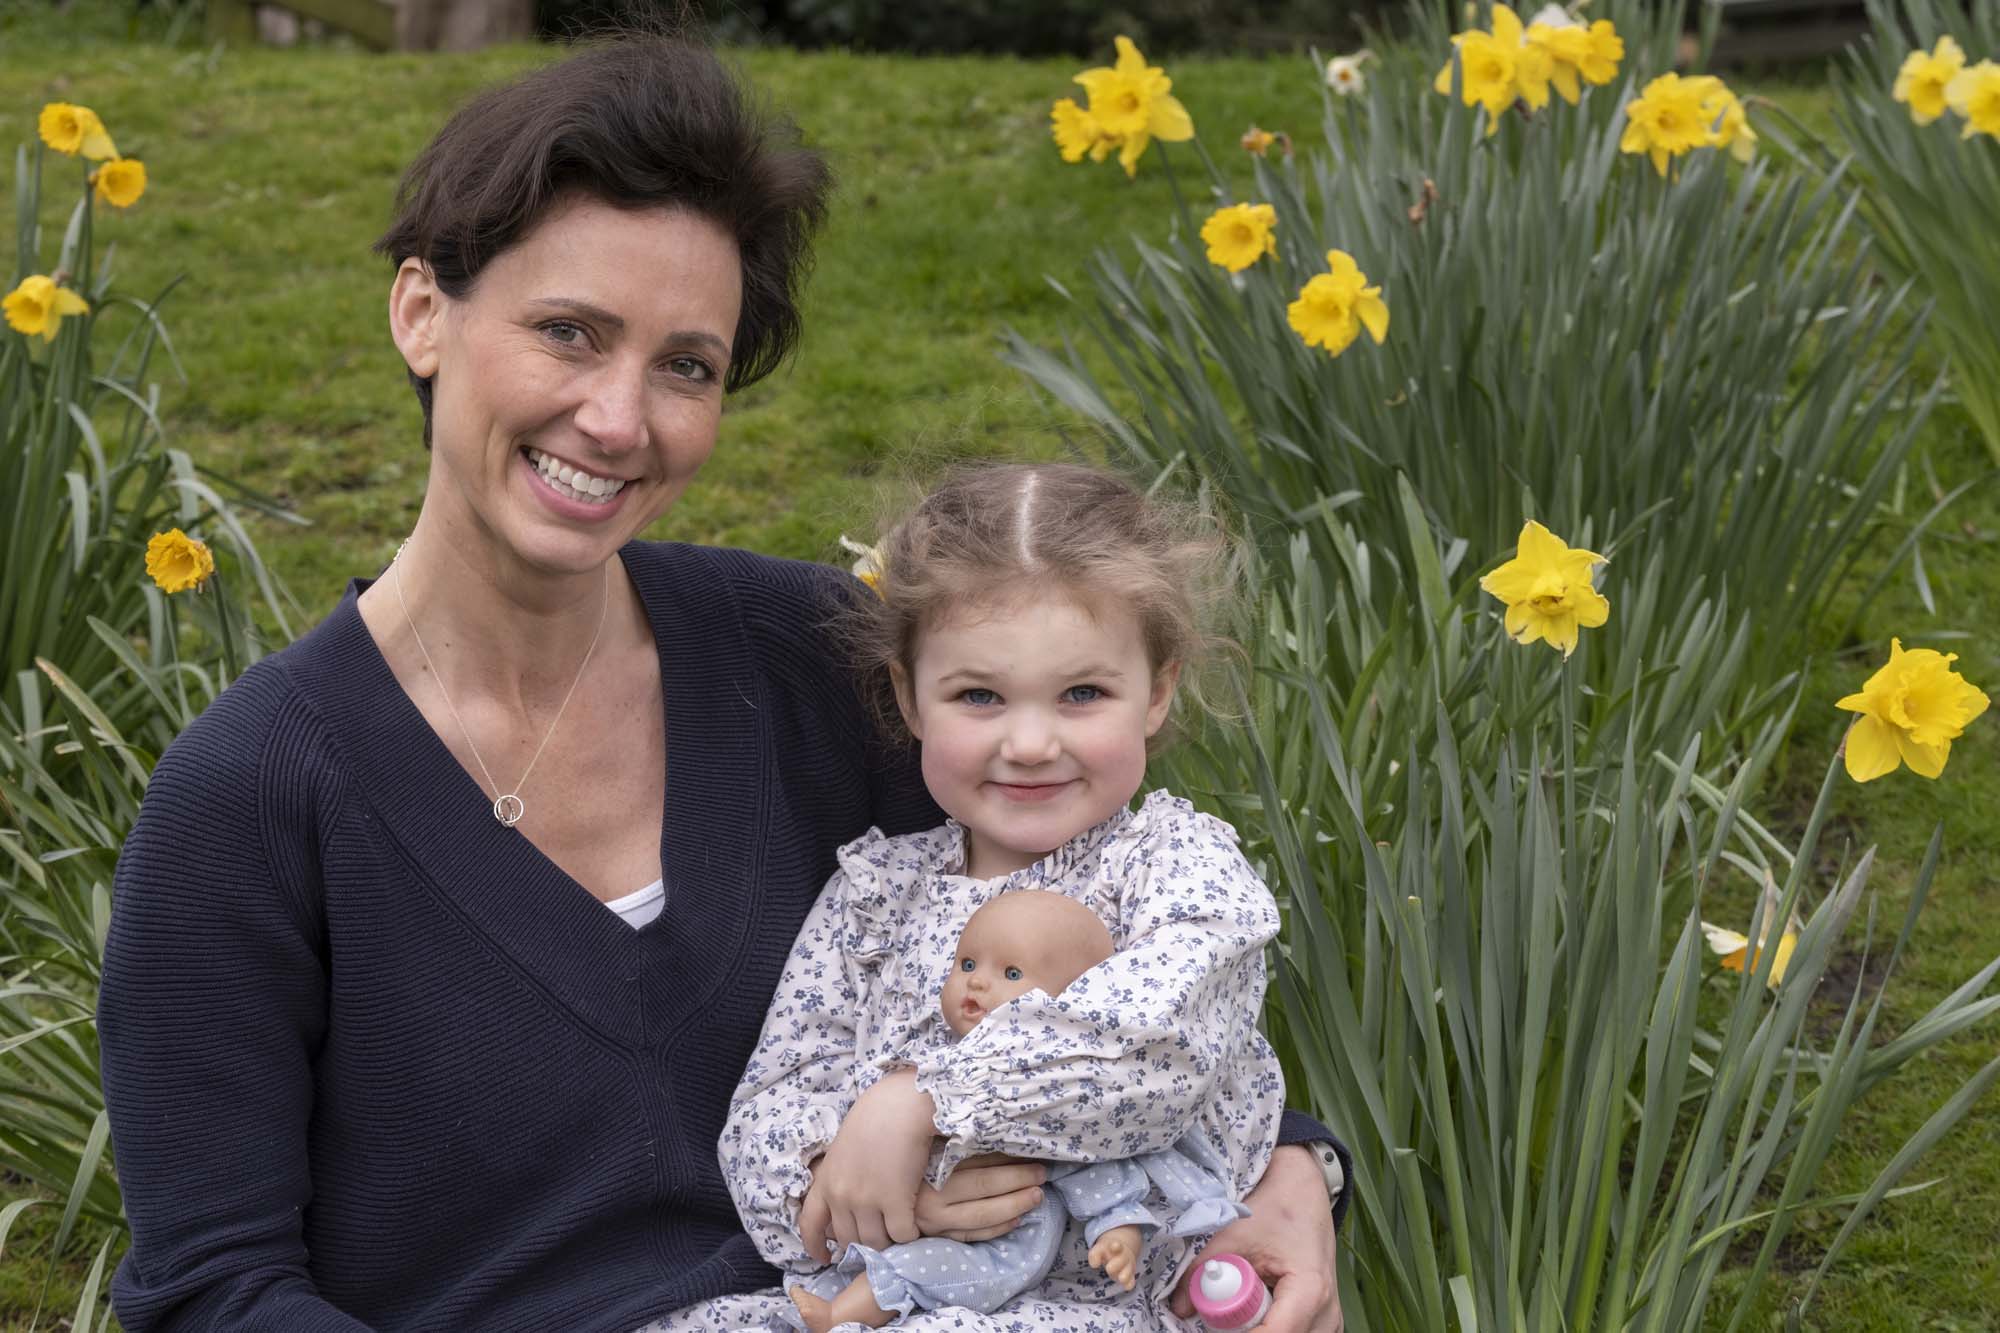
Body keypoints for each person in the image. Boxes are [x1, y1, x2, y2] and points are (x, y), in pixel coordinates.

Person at [94, 33, 1351, 1333]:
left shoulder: (805, 656)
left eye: (685, 364)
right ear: (422, 312)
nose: (621, 419)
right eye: (568, 333)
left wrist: (1291, 1163)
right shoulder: (252, 799)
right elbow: (213, 1292)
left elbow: (1085, 916)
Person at [721, 463, 1290, 1332]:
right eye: (979, 695)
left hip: (1085, 1306)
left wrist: (925, 1102)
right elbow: (775, 1101)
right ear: (910, 698)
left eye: (1082, 694)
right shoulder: (877, 895)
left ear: (1158, 692)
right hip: (875, 1294)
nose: (1030, 742)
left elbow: (1155, 1047)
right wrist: (854, 1181)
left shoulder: (1176, 871)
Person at [779, 888, 1257, 1332]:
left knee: (930, 1270)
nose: (978, 982)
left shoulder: (1064, 1101)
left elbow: (1102, 1178)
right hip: (904, 1220)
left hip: (1007, 1244)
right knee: (910, 1261)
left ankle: (841, 1315)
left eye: (1011, 974)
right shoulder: (926, 1056)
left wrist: (1119, 1235)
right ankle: (843, 1305)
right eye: (967, 963)